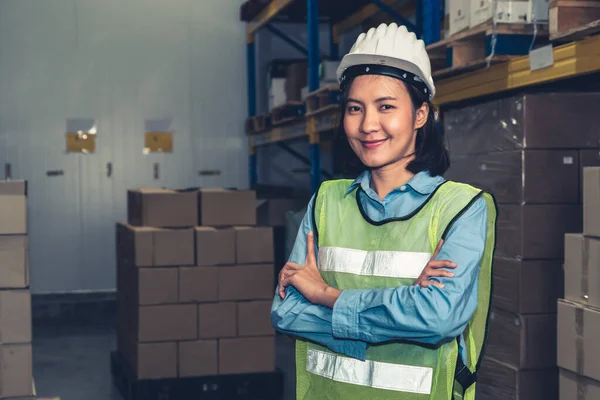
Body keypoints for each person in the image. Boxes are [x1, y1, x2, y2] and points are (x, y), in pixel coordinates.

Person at [271, 23, 497, 400]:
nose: (367, 125)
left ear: (420, 114)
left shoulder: (461, 208)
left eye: (386, 107)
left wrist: (326, 295)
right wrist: (403, 308)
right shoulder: (326, 202)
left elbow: (438, 318)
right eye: (355, 108)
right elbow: (286, 313)